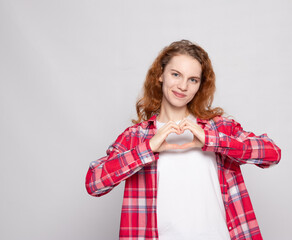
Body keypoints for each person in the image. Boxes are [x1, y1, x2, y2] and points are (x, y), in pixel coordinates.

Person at [85, 40, 281, 240]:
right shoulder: (136, 136)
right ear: (160, 75)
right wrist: (148, 148)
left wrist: (212, 141)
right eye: (176, 74)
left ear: (200, 86)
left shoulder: (217, 128)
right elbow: (94, 183)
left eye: (193, 79)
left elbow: (272, 154)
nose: (183, 86)